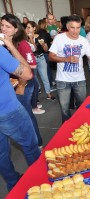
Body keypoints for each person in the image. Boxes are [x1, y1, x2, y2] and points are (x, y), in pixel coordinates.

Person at [49, 15, 90, 123]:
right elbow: (51, 56)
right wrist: (66, 59)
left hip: (80, 80)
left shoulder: (83, 41)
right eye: (72, 27)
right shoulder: (59, 38)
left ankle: (80, 127)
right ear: (67, 27)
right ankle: (66, 129)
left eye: (78, 27)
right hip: (62, 80)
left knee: (82, 107)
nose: (75, 31)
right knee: (64, 109)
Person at [0, 38, 40, 192]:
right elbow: (28, 73)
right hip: (7, 109)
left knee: (1, 155)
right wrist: (10, 46)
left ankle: (14, 184)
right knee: (30, 146)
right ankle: (40, 182)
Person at [1, 14, 43, 147]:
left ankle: (38, 144)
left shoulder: (22, 44)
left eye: (8, 26)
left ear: (16, 29)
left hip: (24, 85)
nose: (4, 29)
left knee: (27, 115)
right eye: (2, 25)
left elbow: (31, 68)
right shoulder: (3, 44)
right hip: (12, 87)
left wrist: (20, 85)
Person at [26, 21, 56, 101]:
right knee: (34, 78)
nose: (27, 29)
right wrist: (30, 39)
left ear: (34, 28)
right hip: (31, 60)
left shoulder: (40, 37)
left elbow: (46, 50)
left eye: (29, 27)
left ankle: (48, 94)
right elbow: (32, 49)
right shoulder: (25, 39)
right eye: (26, 27)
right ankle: (37, 94)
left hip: (41, 58)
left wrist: (43, 45)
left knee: (45, 77)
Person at [37, 19, 54, 90]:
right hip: (46, 53)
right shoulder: (46, 33)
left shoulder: (37, 33)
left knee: (43, 72)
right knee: (48, 70)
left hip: (39, 53)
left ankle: (49, 84)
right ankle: (50, 85)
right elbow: (50, 42)